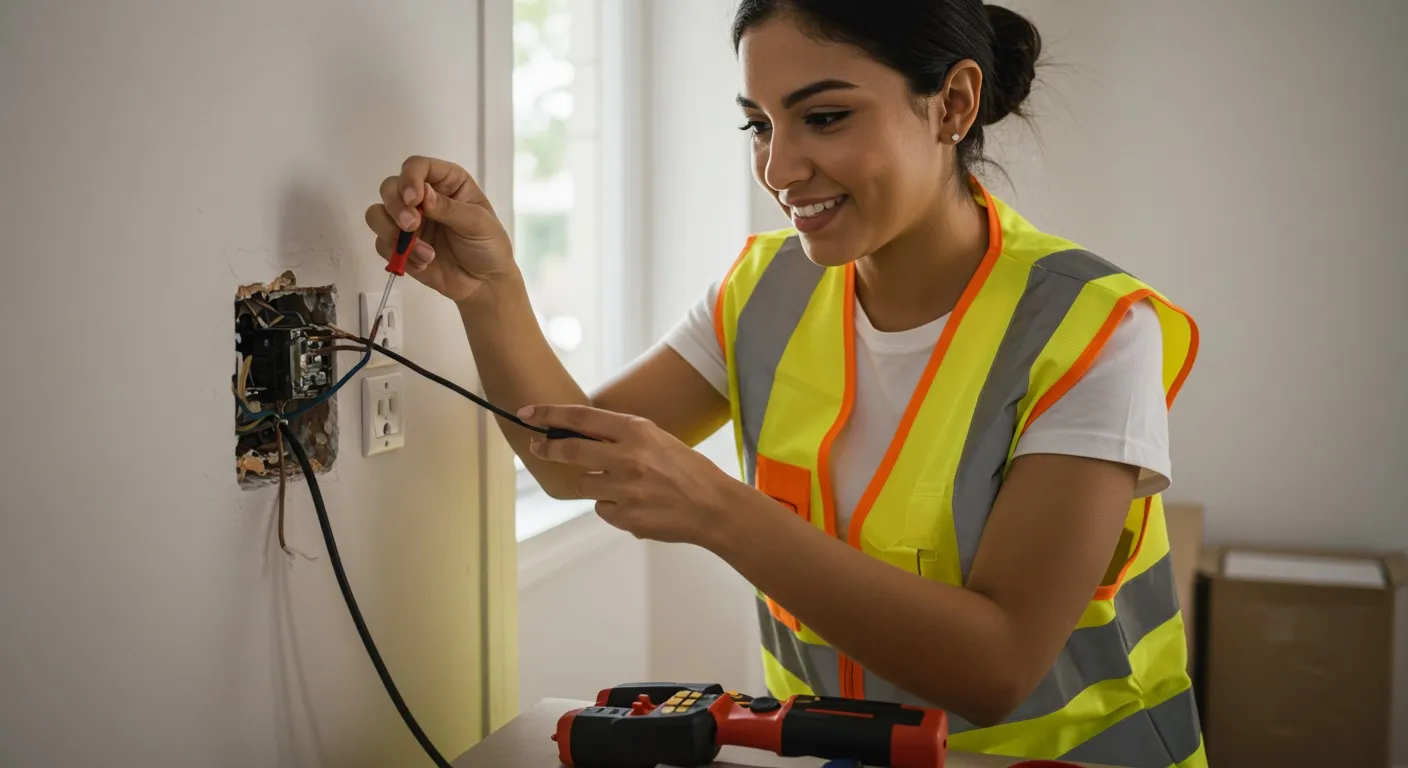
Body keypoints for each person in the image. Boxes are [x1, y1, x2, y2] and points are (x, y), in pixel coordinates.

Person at [364, 1, 1205, 765]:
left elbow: (998, 667)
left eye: (825, 117)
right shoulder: (765, 291)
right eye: (758, 126)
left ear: (952, 104)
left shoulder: (1092, 329)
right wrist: (491, 290)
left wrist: (717, 510)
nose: (778, 167)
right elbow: (570, 461)